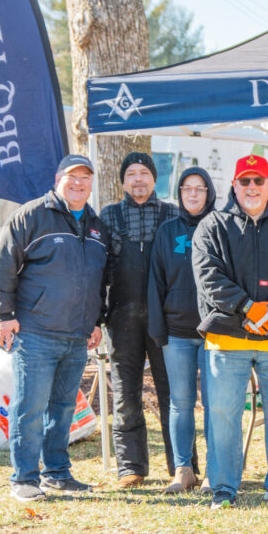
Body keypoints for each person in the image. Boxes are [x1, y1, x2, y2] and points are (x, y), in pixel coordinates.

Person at [192, 154, 268, 509]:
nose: (251, 187)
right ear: (234, 185)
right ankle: (223, 488)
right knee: (223, 415)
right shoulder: (212, 226)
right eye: (244, 181)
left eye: (258, 180)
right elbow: (207, 276)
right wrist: (247, 307)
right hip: (227, 336)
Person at [0, 154, 108, 502]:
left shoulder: (96, 225)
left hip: (77, 336)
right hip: (36, 333)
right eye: (72, 176)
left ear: (91, 183)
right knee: (30, 408)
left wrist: (96, 321)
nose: (78, 183)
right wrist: (3, 314)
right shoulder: (31, 216)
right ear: (57, 179)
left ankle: (57, 473)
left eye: (85, 177)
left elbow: (99, 280)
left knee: (63, 409)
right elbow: (2, 265)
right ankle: (24, 479)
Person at [100, 152, 183, 488]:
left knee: (172, 392)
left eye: (144, 173)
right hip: (123, 316)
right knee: (125, 393)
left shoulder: (172, 214)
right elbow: (99, 269)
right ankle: (130, 466)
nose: (138, 179)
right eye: (131, 173)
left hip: (167, 318)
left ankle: (182, 465)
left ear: (154, 179)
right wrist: (97, 316)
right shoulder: (109, 215)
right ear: (122, 181)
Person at [147, 167, 217, 494]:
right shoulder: (167, 231)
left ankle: (215, 470)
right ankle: (183, 470)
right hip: (176, 333)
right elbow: (155, 281)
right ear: (179, 193)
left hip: (214, 333)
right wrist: (158, 330)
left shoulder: (221, 226)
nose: (193, 194)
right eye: (187, 188)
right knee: (180, 403)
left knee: (216, 404)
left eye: (199, 188)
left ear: (209, 193)